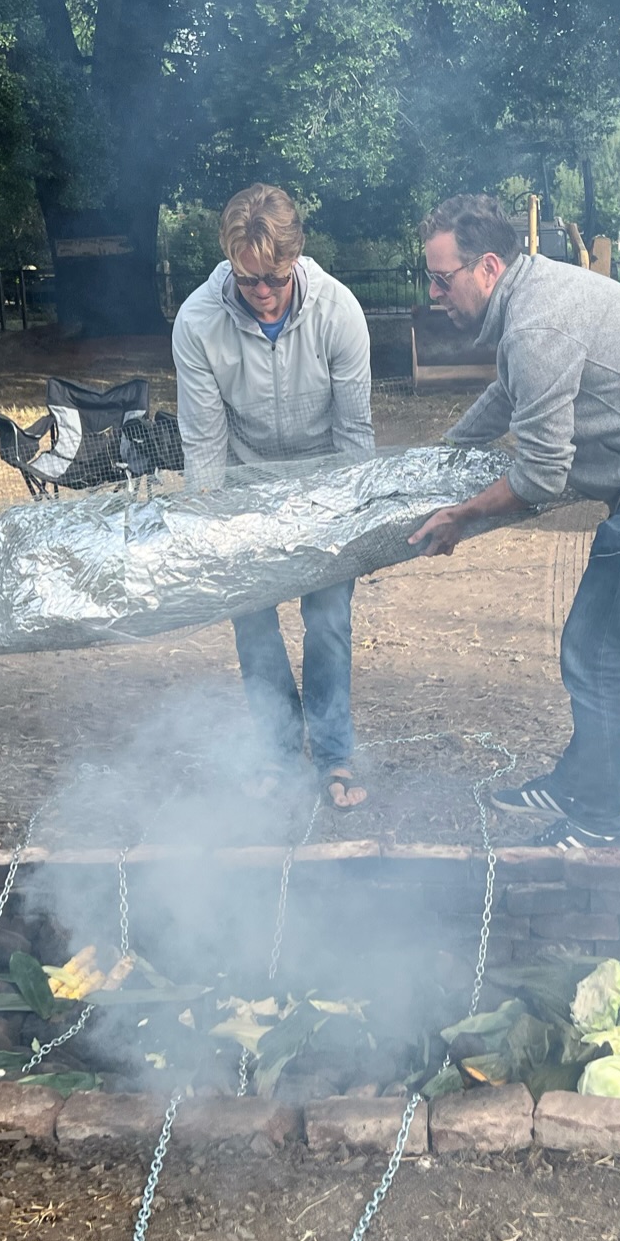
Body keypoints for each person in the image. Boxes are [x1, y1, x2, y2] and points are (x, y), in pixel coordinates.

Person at [407, 194, 620, 850]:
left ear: (484, 268)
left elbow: (537, 475)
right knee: (592, 642)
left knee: (595, 648)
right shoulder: (530, 297)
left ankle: (597, 820)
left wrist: (461, 514)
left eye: (440, 277)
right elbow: (509, 393)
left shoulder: (539, 321)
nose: (433, 292)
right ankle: (578, 781)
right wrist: (436, 460)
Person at [172, 184, 375, 808]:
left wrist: (352, 525)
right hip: (243, 488)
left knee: (328, 623)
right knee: (255, 627)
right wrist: (214, 526)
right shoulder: (197, 322)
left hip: (324, 488)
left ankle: (335, 757)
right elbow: (204, 445)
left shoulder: (340, 311)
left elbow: (355, 434)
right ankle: (278, 753)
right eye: (247, 278)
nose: (261, 292)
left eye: (274, 279)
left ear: (297, 258)